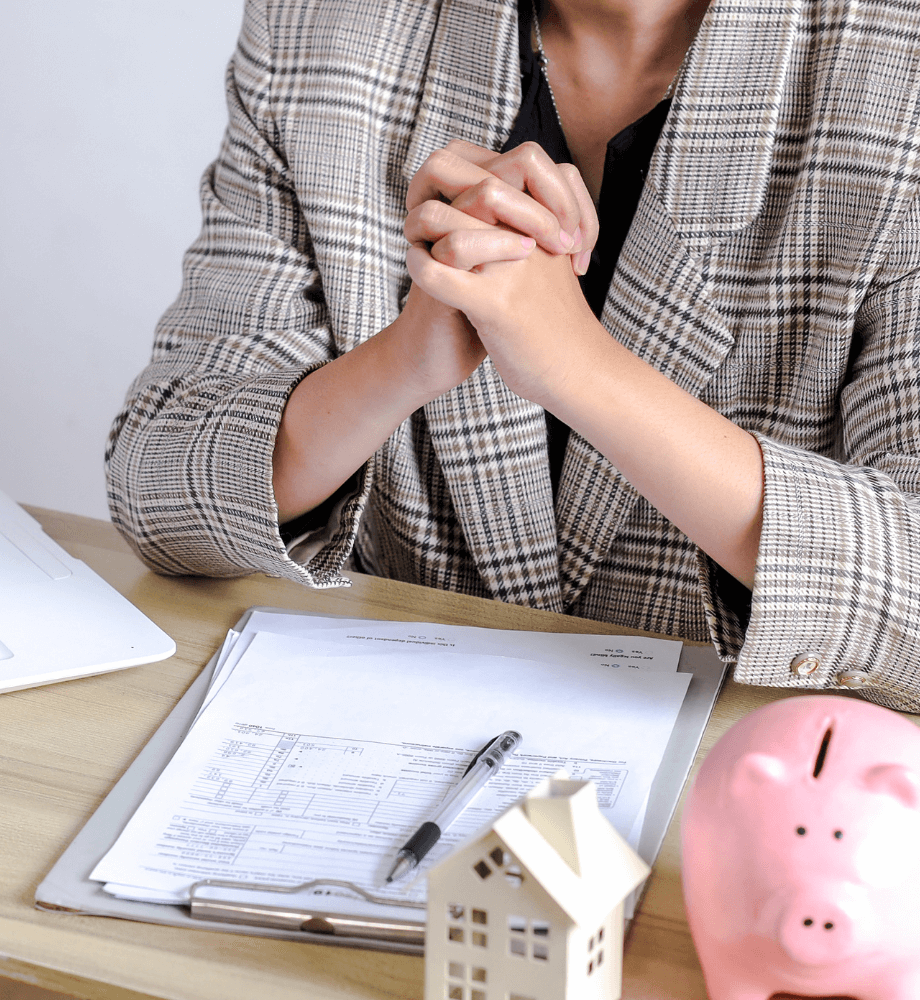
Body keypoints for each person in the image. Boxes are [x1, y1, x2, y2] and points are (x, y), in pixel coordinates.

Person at [106, 0, 920, 711]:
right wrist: (402, 361)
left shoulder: (897, 72)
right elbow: (157, 484)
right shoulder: (319, 29)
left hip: (753, 804)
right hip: (388, 740)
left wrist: (583, 372)